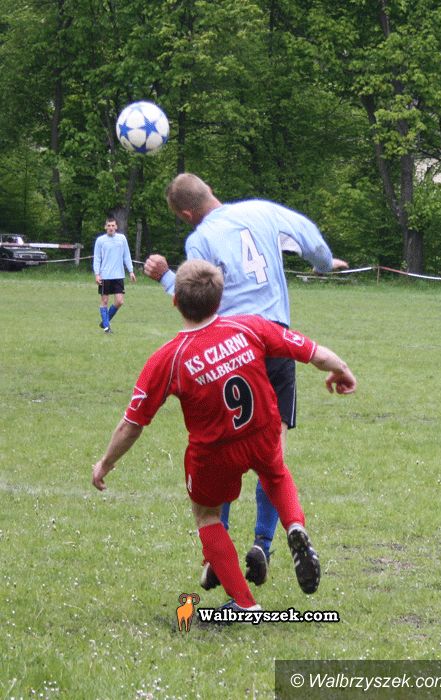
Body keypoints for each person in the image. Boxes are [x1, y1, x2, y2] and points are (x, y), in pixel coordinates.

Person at [92, 260, 356, 614]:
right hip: (261, 432)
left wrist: (105, 463)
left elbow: (132, 424)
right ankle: (294, 526)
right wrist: (342, 369)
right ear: (220, 300)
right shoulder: (249, 326)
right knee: (276, 474)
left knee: (207, 516)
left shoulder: (169, 358)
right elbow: (311, 352)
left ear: (175, 302)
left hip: (215, 452)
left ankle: (245, 604)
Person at [144, 173, 349, 590]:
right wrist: (325, 264)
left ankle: (217, 558)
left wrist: (165, 276)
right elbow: (310, 238)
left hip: (233, 350)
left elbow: (195, 301)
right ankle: (264, 544)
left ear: (187, 213)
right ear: (210, 190)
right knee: (273, 457)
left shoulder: (200, 239)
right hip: (277, 343)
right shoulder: (261, 209)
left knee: (219, 453)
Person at [93, 216, 136, 333]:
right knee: (105, 301)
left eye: (113, 225)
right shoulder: (100, 240)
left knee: (119, 301)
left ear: (116, 227)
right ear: (105, 227)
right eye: (109, 226)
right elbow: (97, 258)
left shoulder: (122, 239)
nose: (111, 228)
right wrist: (97, 274)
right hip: (105, 276)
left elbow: (126, 255)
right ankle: (107, 328)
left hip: (118, 275)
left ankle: (104, 321)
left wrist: (131, 271)